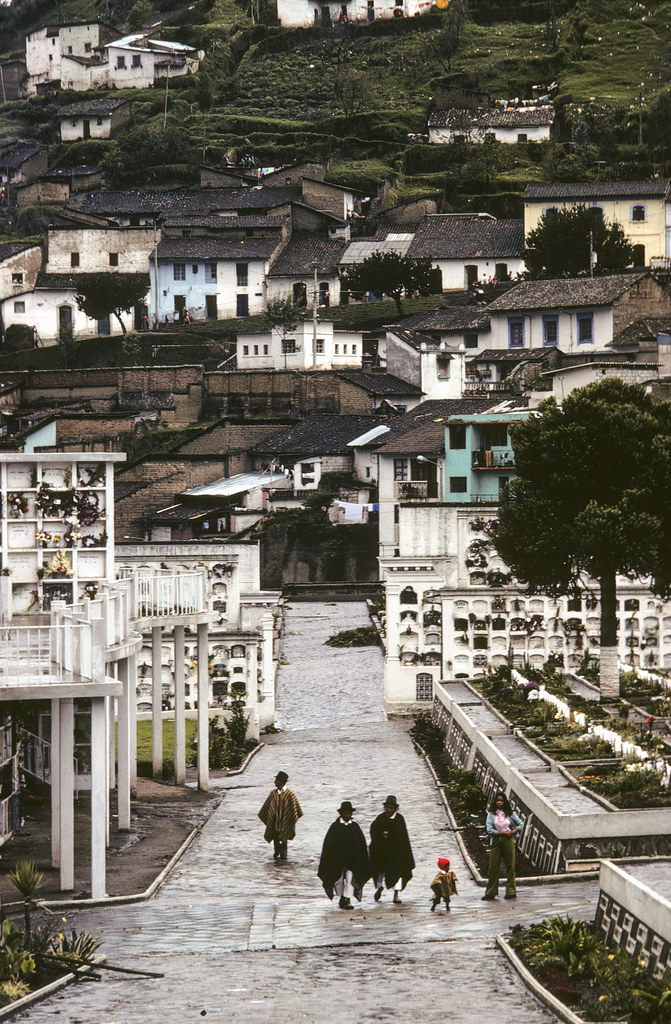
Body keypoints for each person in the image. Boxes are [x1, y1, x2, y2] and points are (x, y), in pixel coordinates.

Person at [318, 800, 370, 909]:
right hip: (337, 861)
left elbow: (361, 845)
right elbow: (328, 846)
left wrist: (364, 860)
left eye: (349, 813)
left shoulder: (355, 827)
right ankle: (342, 897)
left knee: (350, 880)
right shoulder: (334, 827)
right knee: (339, 881)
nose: (347, 815)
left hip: (353, 861)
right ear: (341, 813)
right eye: (345, 813)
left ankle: (348, 900)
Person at [369, 795, 415, 905]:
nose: (389, 810)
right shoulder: (380, 818)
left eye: (391, 808)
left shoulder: (399, 819)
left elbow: (404, 837)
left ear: (395, 808)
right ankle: (379, 888)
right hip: (382, 852)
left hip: (396, 852)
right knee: (381, 872)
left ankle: (396, 894)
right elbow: (373, 830)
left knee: (397, 872)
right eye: (387, 808)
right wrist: (381, 833)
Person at [481, 791, 524, 901]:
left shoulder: (510, 813)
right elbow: (489, 829)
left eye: (501, 800)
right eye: (497, 800)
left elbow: (520, 824)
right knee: (493, 867)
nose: (499, 802)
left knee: (510, 866)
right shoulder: (491, 815)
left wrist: (513, 832)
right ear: (495, 802)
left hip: (508, 841)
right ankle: (491, 892)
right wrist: (502, 833)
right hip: (496, 841)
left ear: (504, 802)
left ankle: (511, 891)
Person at [258, 771, 302, 861]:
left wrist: (290, 818)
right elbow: (268, 807)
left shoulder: (290, 794)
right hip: (275, 822)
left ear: (281, 781)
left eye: (276, 780)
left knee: (284, 838)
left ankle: (283, 855)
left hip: (285, 822)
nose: (275, 782)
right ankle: (277, 851)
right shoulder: (273, 793)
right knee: (275, 837)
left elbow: (294, 809)